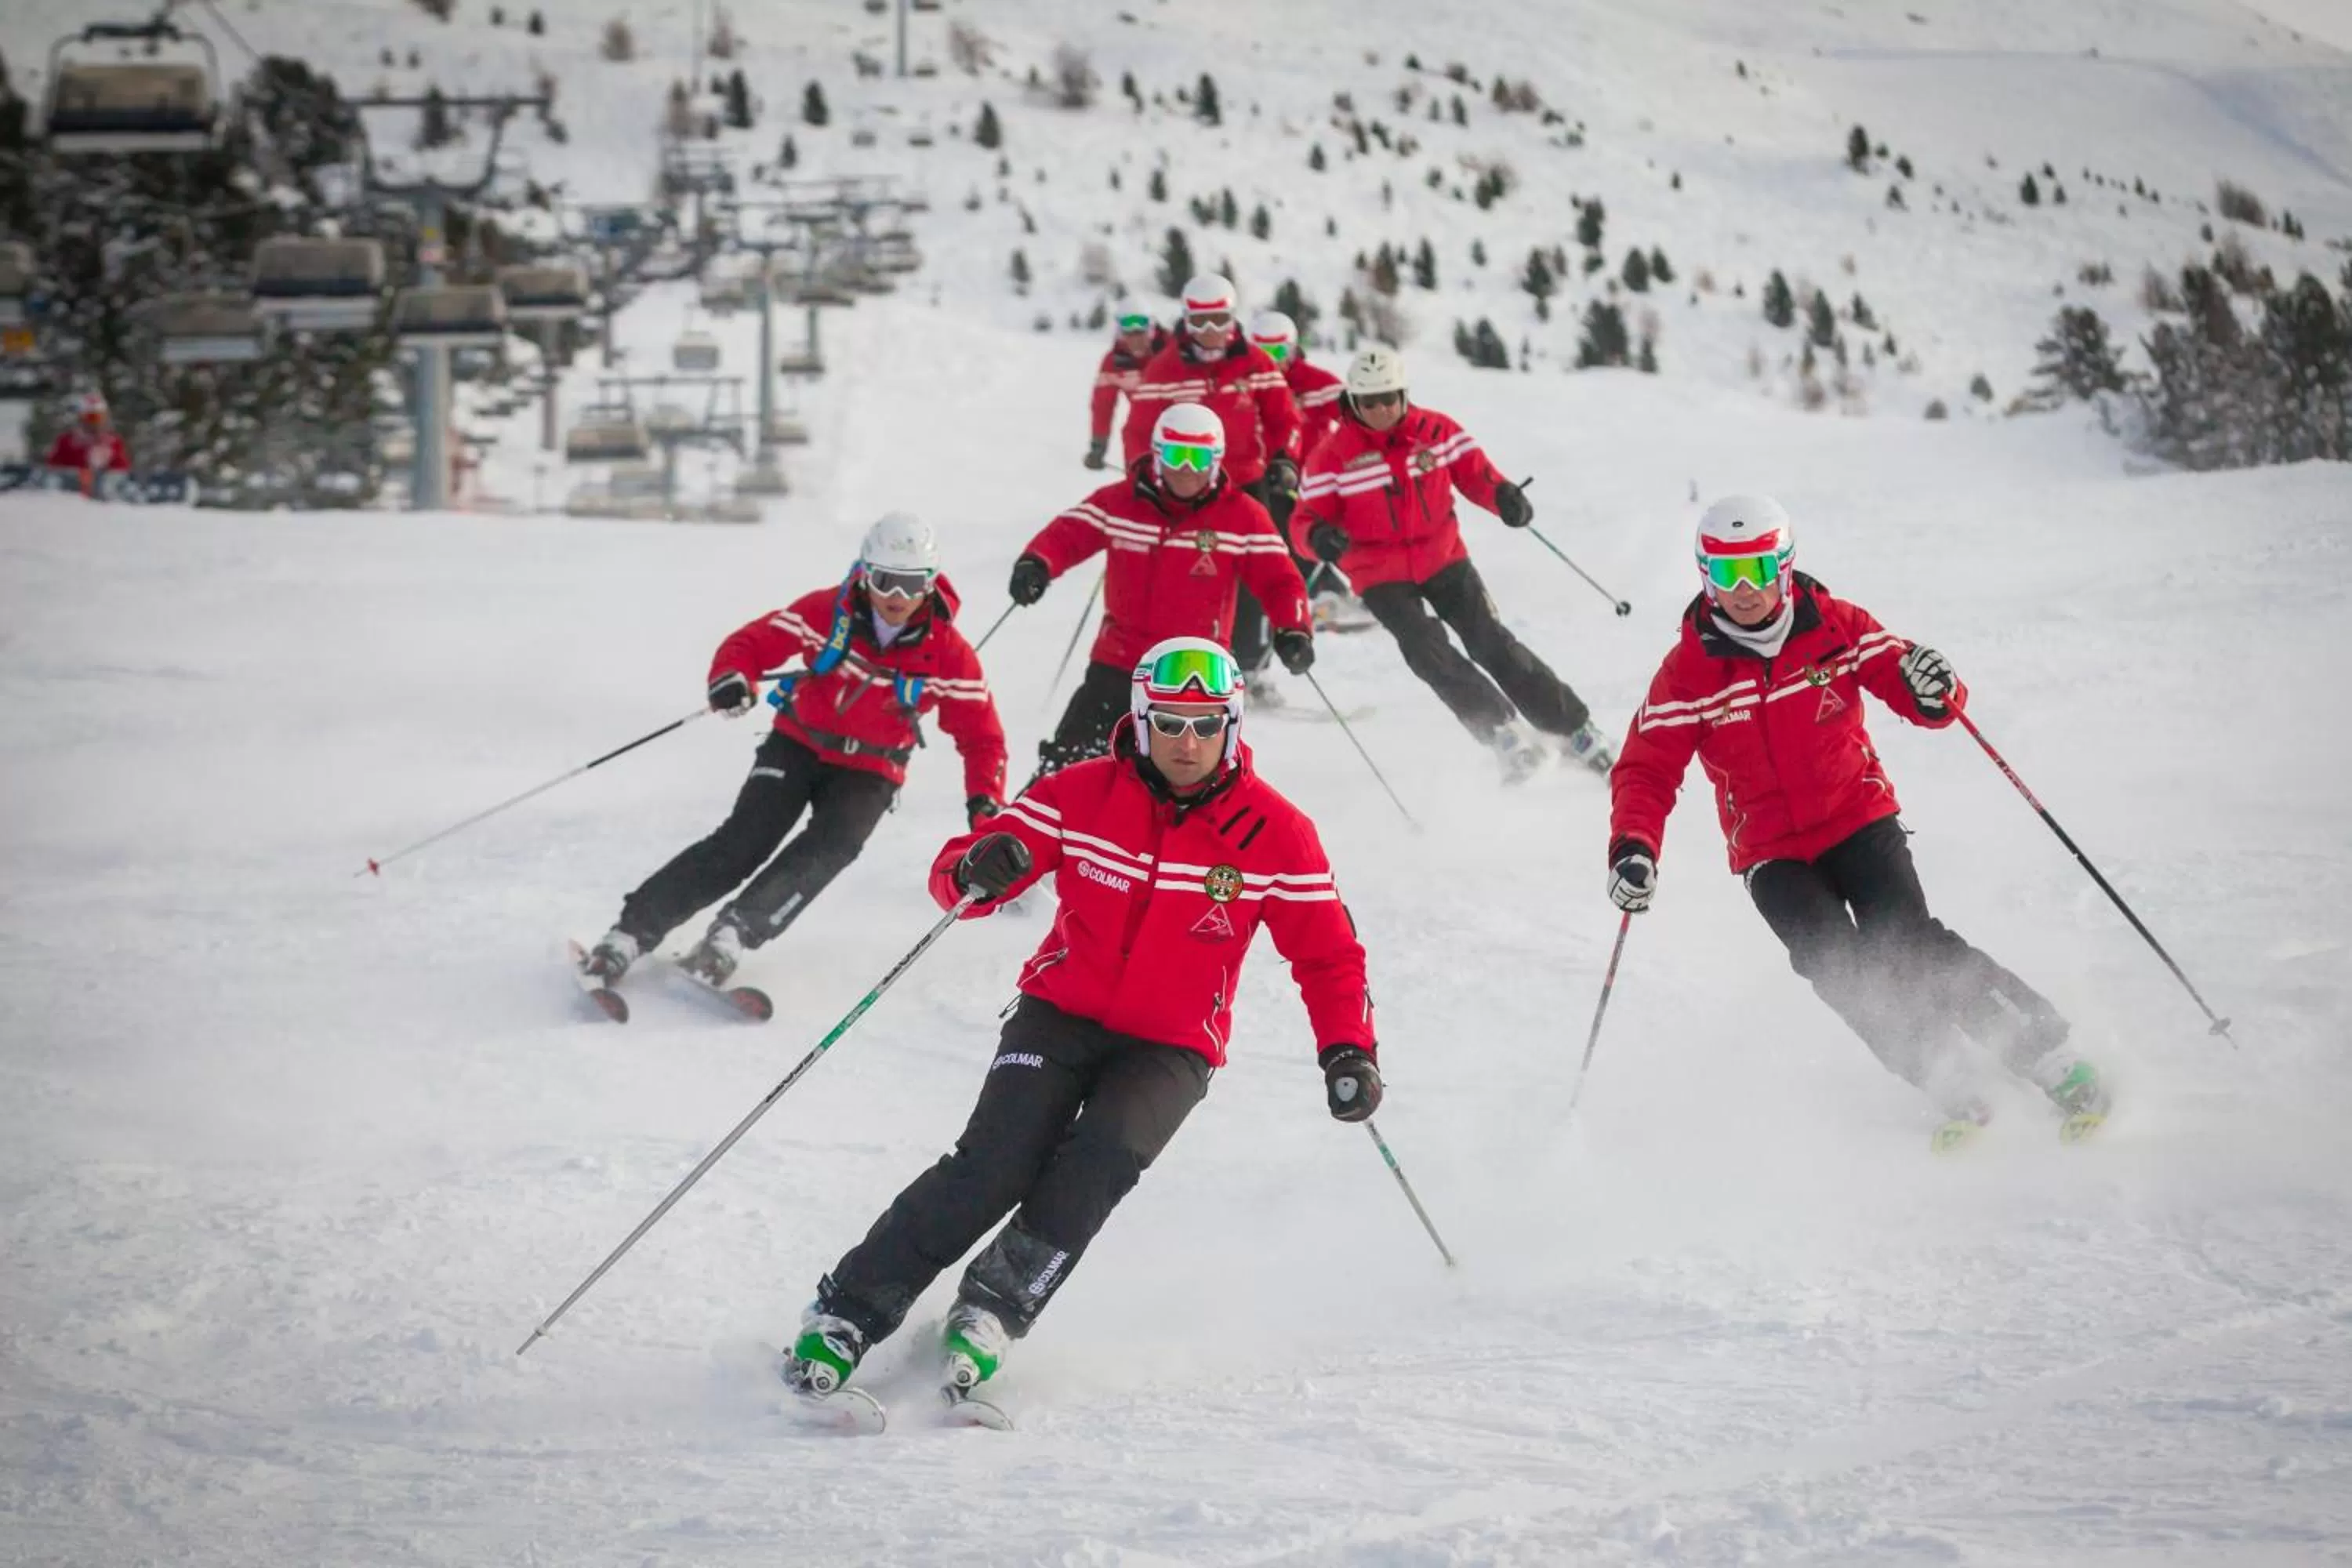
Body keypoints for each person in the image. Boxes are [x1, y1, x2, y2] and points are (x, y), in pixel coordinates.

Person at [782, 637, 1381, 1403]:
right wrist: (977, 868)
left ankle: (990, 1311)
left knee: (1096, 1165)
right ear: (1141, 717)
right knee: (991, 1166)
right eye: (1169, 722)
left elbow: (1329, 954)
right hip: (1058, 1015)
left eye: (1206, 724)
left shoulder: (1276, 833)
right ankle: (845, 1313)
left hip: (1171, 1046)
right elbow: (970, 863)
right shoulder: (1081, 792)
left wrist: (1347, 1051)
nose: (1187, 742)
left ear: (1233, 725)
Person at [1604, 495, 2110, 1145]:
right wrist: (1633, 848)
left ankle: (2051, 1058)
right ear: (1706, 578)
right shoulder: (1688, 675)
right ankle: (1945, 1074)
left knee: (1908, 945)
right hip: (1770, 854)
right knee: (1838, 966)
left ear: (1784, 567)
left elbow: (1911, 685)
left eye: (1759, 571)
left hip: (1857, 817)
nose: (1746, 591)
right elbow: (1645, 769)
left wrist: (1936, 688)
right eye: (1728, 576)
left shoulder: (1834, 626)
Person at [581, 514, 1007, 987]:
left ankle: (733, 934)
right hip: (798, 745)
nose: (898, 598)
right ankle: (630, 933)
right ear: (866, 573)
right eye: (886, 581)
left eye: (912, 585)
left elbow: (983, 737)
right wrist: (732, 678)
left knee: (832, 847)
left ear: (930, 584)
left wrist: (984, 802)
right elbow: (751, 643)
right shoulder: (827, 613)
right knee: (743, 842)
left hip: (872, 769)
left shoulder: (949, 653)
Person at [1294, 345, 1614, 782]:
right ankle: (1503, 734)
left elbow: (1475, 473)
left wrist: (1504, 497)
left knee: (1490, 642)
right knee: (1429, 653)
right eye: (1370, 401)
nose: (1382, 409)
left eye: (1390, 397)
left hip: (1443, 557)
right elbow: (1305, 520)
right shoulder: (1333, 456)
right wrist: (1318, 538)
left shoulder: (1435, 431)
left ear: (1404, 395)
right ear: (1353, 402)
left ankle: (1574, 729)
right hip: (1378, 573)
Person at [1010, 402, 1313, 783]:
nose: (1186, 470)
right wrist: (1036, 564)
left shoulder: (1242, 517)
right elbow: (1068, 534)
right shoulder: (1120, 502)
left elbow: (1280, 580)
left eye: (1198, 458)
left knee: (1181, 778)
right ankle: (1028, 837)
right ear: (1156, 456)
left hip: (1193, 674)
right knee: (1066, 767)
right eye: (1176, 455)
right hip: (1119, 660)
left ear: (1216, 460)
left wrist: (1293, 628)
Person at [1121, 276, 1301, 680]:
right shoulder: (1165, 368)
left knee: (1260, 571)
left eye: (1218, 320)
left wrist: (1284, 459)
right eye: (1200, 322)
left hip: (1245, 482)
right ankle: (1180, 665)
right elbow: (1137, 431)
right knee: (1194, 573)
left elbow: (1283, 418)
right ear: (1186, 320)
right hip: (1185, 488)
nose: (1210, 332)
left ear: (1232, 318)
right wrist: (1141, 473)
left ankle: (1252, 669)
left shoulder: (1255, 362)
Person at [1084, 309, 1167, 472]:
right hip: (1140, 429)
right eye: (1129, 334)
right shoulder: (1114, 362)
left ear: (1151, 332)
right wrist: (1098, 446)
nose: (1135, 340)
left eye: (1141, 333)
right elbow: (1103, 406)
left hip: (1182, 424)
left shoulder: (1172, 351)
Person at [44, 391, 131, 488]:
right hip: (72, 494)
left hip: (103, 495)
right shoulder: (68, 441)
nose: (97, 424)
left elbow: (122, 471)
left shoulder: (113, 442)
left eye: (100, 418)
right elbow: (54, 469)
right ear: (82, 419)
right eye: (92, 418)